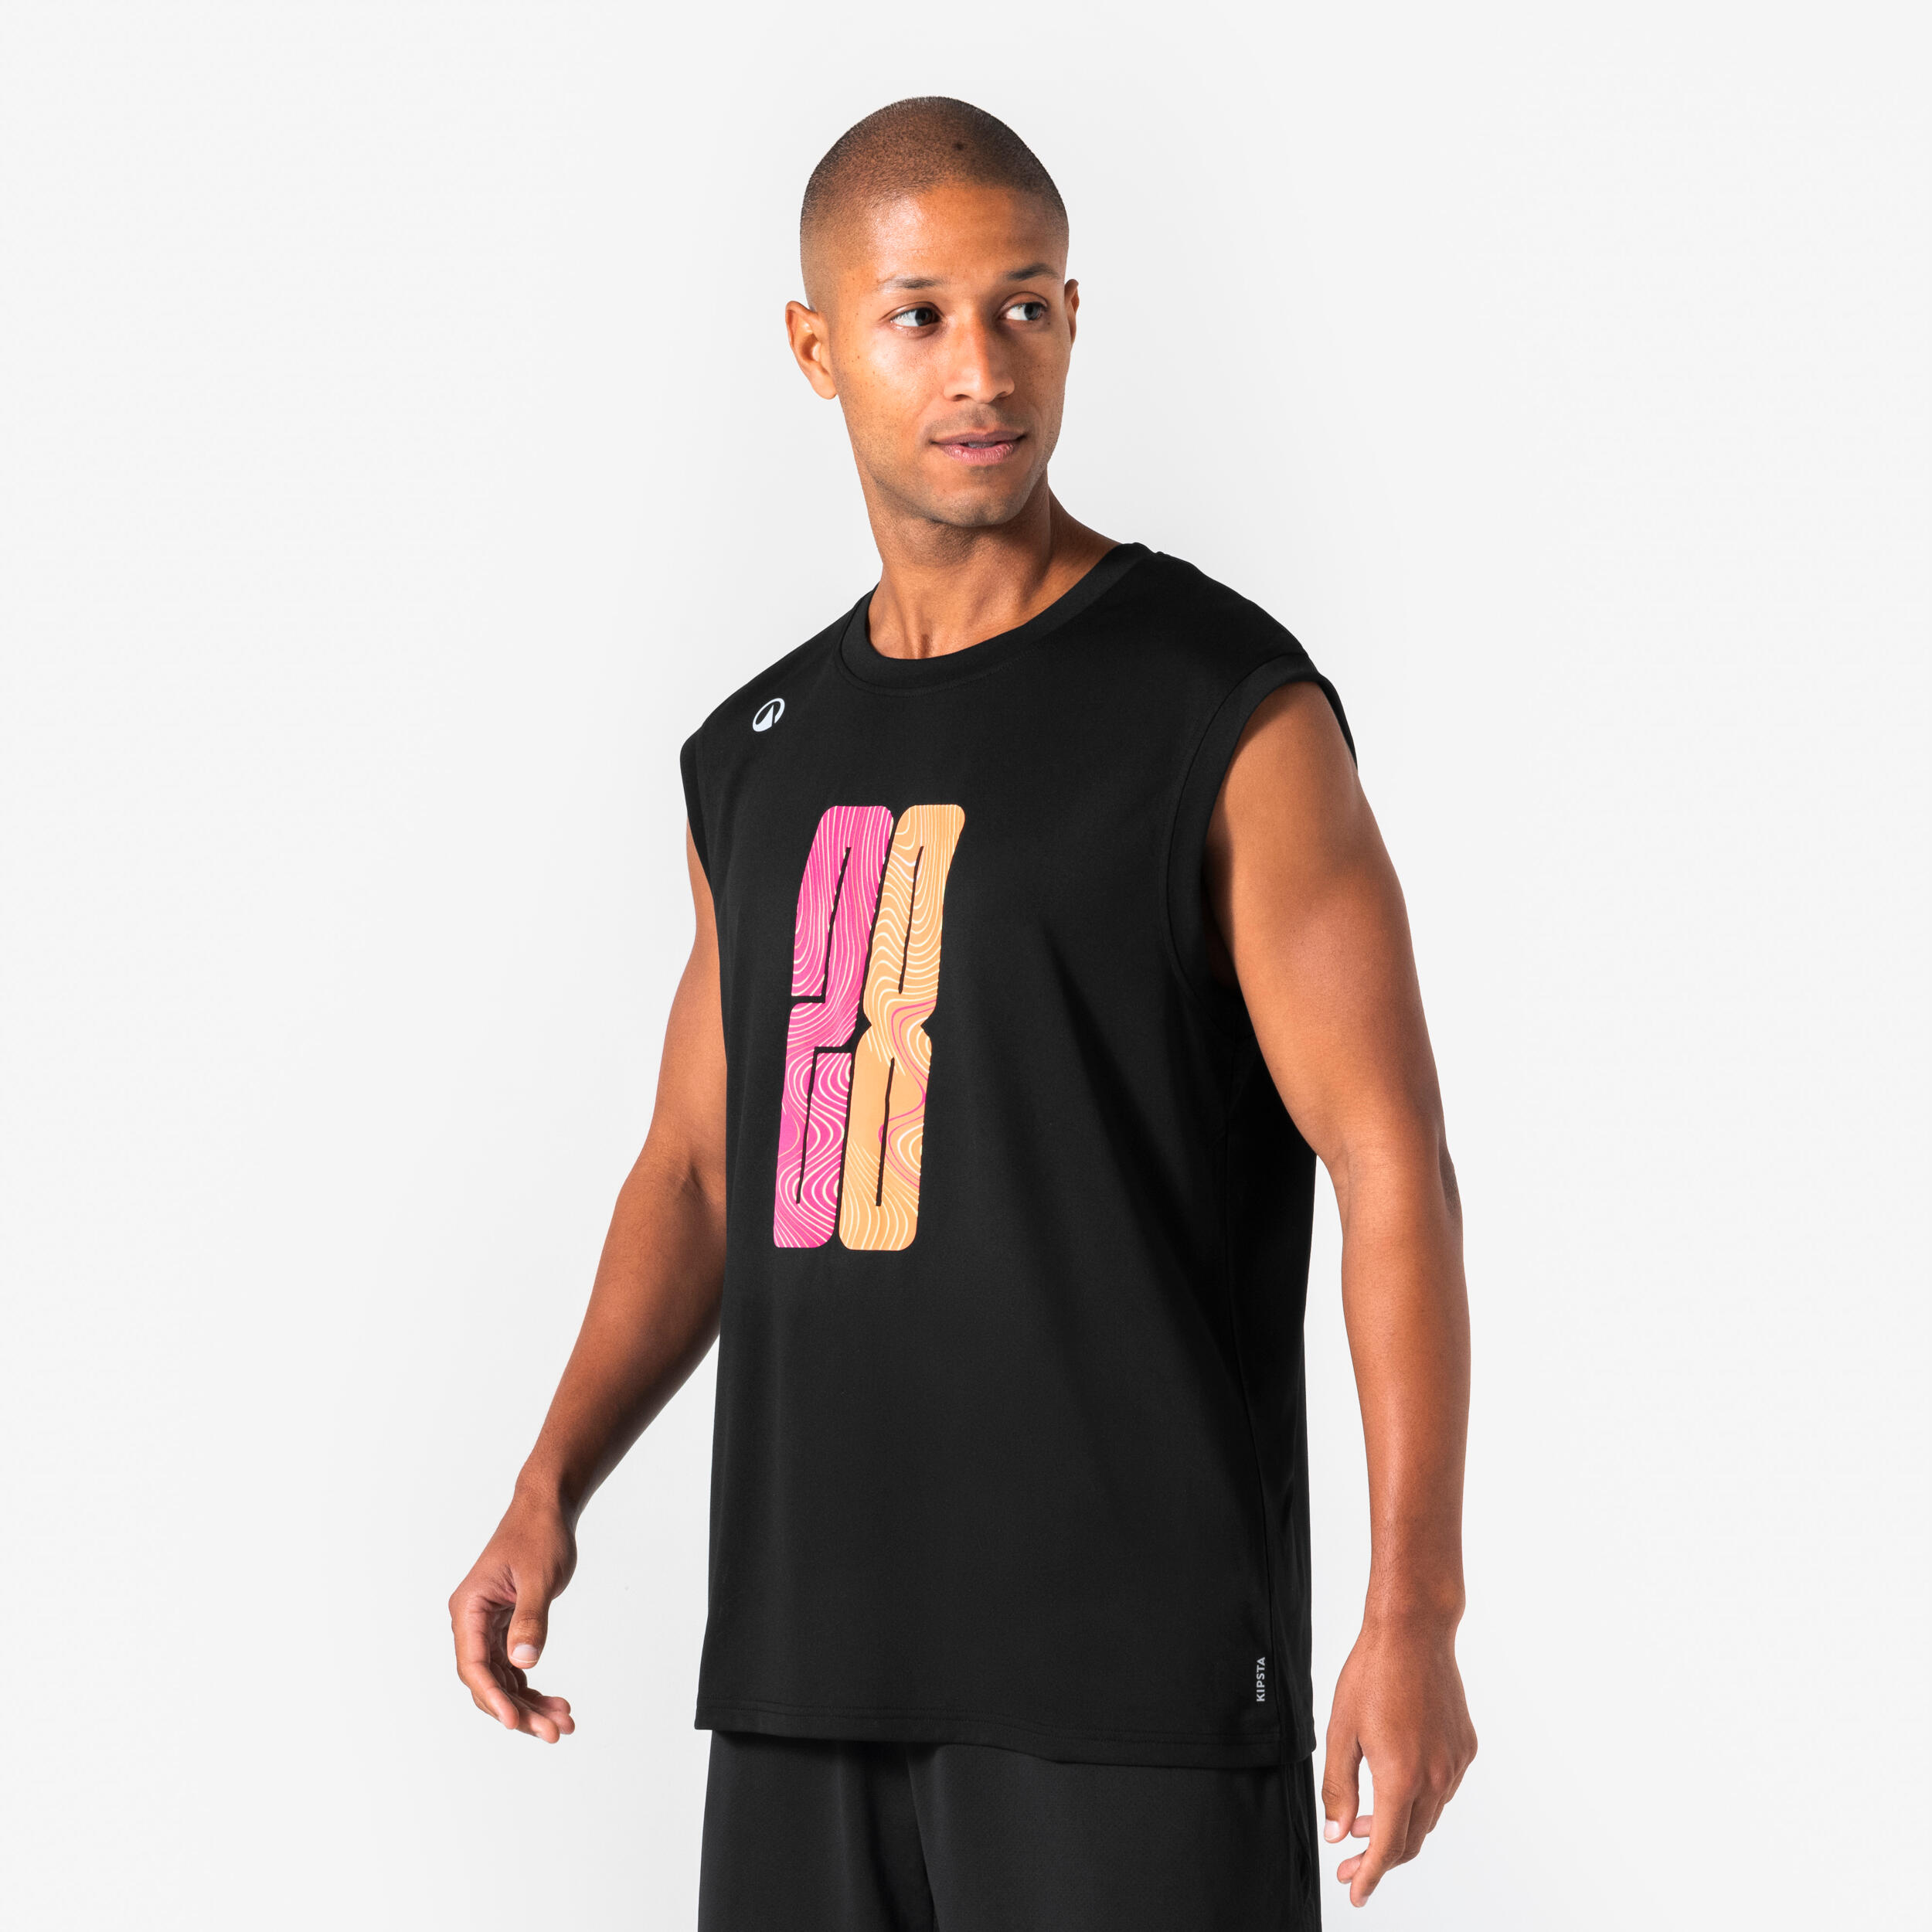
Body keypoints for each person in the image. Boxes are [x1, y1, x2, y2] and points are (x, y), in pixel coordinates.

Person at [449, 97, 1475, 1927]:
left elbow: (1386, 1159)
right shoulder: (755, 754)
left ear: (1072, 318)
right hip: (802, 1673)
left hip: (1130, 1687)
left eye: (1023, 307)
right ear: (815, 346)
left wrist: (1413, 1605)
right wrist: (550, 1480)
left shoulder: (1219, 709)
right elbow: (697, 1170)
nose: (981, 368)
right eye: (917, 315)